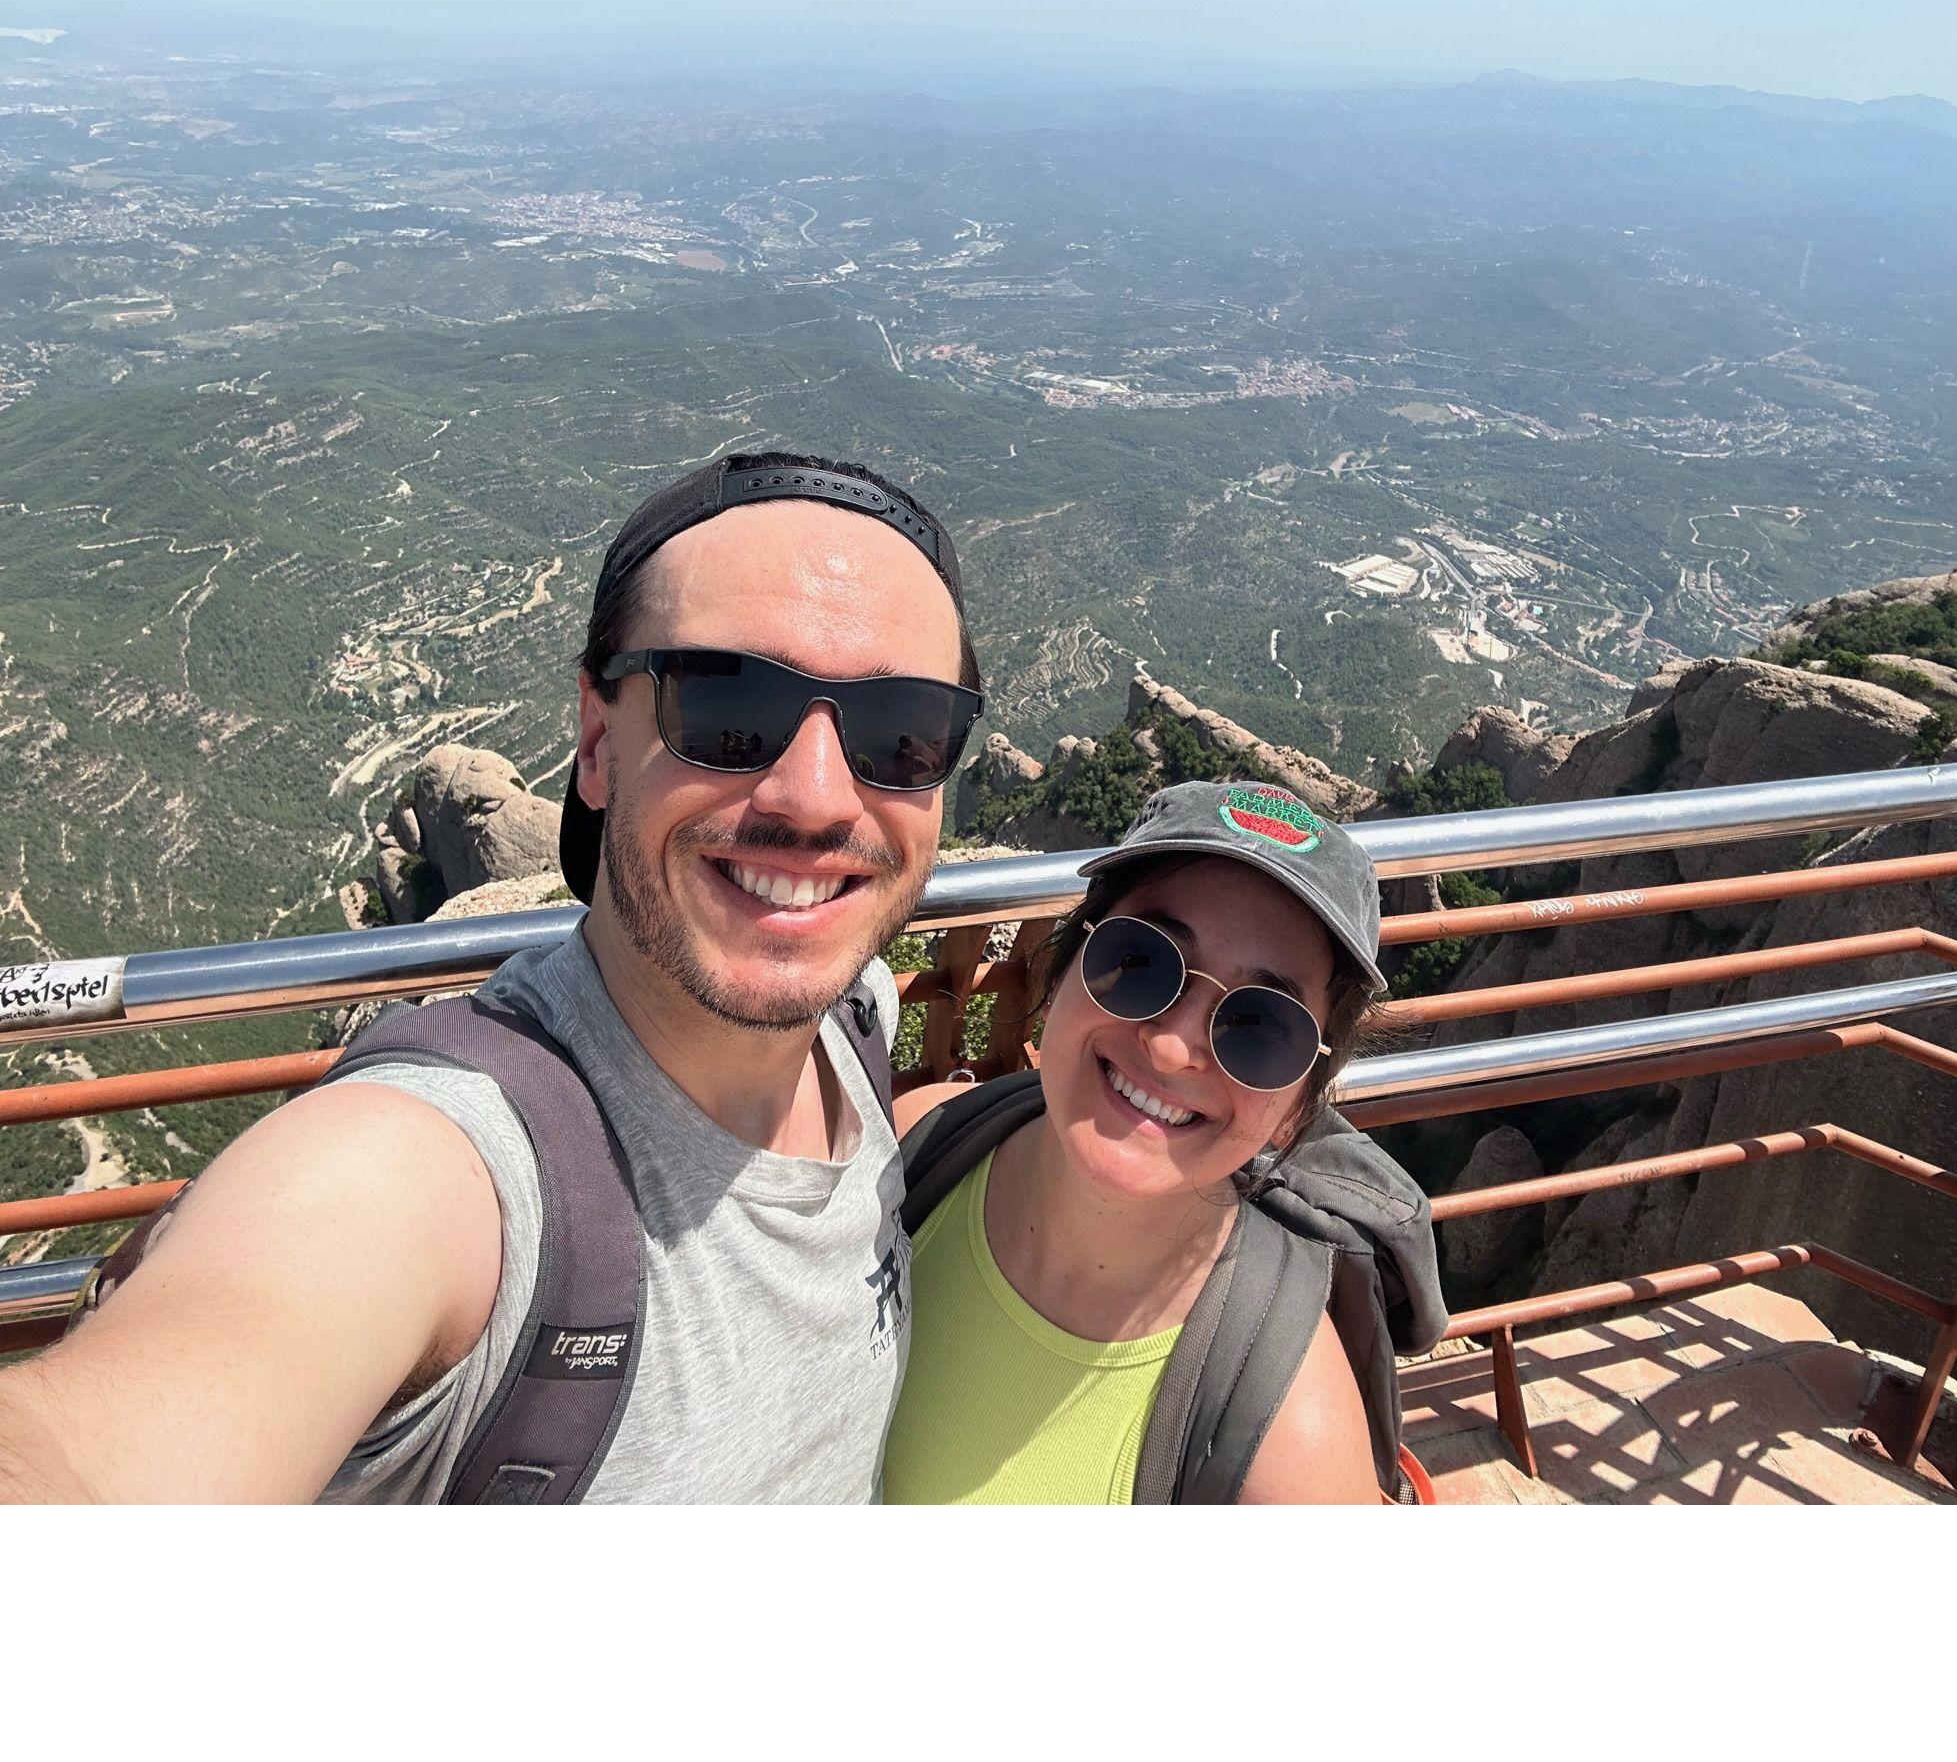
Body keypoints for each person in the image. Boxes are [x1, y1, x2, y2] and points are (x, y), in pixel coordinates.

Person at [0, 451, 982, 1504]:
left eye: (901, 734)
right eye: (729, 708)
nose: (817, 797)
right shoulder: (445, 1170)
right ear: (598, 743)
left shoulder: (857, 1022)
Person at [882, 779, 1428, 1505]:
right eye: (1139, 961)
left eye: (1261, 1027)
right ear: (1062, 970)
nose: (1172, 1047)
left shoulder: (1294, 1452)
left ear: (1297, 1105)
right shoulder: (915, 1144)